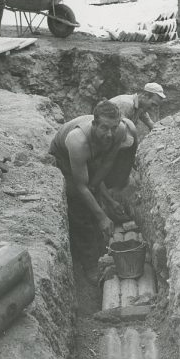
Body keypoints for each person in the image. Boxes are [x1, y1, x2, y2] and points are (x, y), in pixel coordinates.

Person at [49, 100, 138, 282]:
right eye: (104, 128)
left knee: (94, 200)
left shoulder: (119, 131)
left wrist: (106, 200)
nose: (109, 134)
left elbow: (104, 165)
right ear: (94, 124)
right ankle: (89, 265)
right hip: (65, 158)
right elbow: (82, 185)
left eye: (113, 128)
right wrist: (102, 217)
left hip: (91, 156)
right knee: (79, 206)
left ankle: (102, 250)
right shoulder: (77, 141)